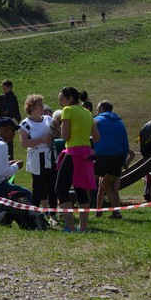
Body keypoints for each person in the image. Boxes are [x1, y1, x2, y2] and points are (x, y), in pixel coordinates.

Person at [56, 87, 99, 233]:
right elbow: (97, 137)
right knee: (80, 190)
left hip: (73, 154)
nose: (60, 103)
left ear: (70, 99)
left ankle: (70, 226)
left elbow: (64, 136)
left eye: (61, 99)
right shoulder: (87, 112)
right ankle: (83, 227)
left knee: (61, 189)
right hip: (86, 155)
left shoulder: (67, 110)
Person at [93, 101, 133, 219]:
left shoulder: (97, 121)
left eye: (97, 109)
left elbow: (91, 137)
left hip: (103, 156)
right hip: (118, 157)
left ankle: (114, 211)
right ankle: (102, 211)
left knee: (103, 183)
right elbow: (125, 142)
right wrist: (123, 160)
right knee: (105, 184)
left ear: (101, 108)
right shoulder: (120, 122)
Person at [19, 95, 55, 216]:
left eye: (42, 104)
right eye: (39, 104)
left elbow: (57, 131)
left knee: (52, 185)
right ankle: (34, 214)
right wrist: (41, 140)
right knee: (38, 186)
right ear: (32, 107)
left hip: (50, 155)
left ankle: (53, 214)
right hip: (37, 158)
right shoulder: (26, 124)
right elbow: (23, 143)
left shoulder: (48, 119)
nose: (42, 106)